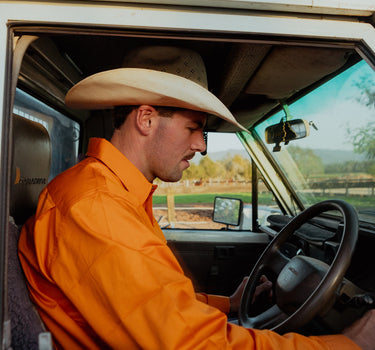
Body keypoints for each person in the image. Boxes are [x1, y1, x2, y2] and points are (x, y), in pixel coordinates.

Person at [18, 46, 375, 350]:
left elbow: (151, 301)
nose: (202, 146)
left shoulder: (111, 193)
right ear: (146, 119)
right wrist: (349, 344)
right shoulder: (95, 206)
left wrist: (227, 304)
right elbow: (190, 344)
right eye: (194, 128)